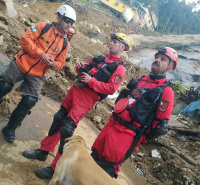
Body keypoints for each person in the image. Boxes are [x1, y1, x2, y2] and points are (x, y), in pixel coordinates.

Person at [22, 33, 130, 179]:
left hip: (87, 98)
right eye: (111, 41)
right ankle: (43, 151)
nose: (111, 44)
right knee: (58, 118)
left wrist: (91, 81)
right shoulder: (100, 58)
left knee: (67, 130)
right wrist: (80, 68)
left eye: (115, 42)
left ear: (122, 47)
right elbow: (85, 70)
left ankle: (55, 168)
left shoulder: (119, 68)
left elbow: (111, 89)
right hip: (75, 91)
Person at [90, 46, 178, 178]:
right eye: (157, 57)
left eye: (163, 59)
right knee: (92, 159)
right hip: (111, 126)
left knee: (105, 171)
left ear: (170, 67)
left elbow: (161, 127)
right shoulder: (141, 79)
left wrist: (141, 137)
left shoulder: (166, 91)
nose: (157, 60)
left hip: (126, 135)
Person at [0, 5, 76, 143]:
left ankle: (10, 128)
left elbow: (60, 63)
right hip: (21, 63)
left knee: (30, 100)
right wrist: (40, 54)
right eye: (67, 20)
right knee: (4, 85)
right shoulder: (43, 27)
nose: (69, 24)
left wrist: (53, 64)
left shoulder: (65, 44)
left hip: (37, 74)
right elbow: (24, 39)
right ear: (59, 17)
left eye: (71, 22)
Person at [15, 27, 76, 92]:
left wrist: (53, 63)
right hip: (39, 59)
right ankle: (22, 86)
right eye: (70, 36)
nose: (70, 37)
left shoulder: (65, 44)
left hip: (44, 63)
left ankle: (22, 86)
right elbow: (67, 59)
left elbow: (63, 60)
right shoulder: (65, 43)